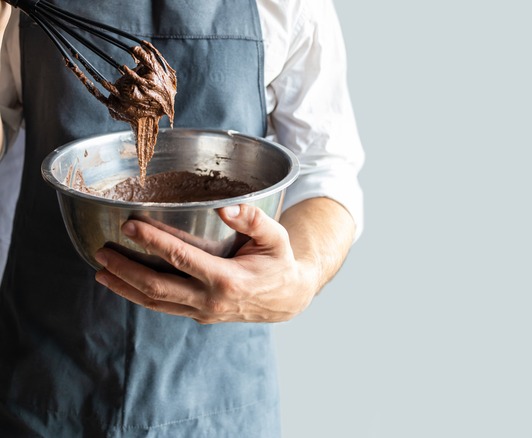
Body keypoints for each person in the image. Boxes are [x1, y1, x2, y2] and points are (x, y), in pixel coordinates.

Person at [0, 0, 364, 436]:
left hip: (219, 401)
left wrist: (301, 275)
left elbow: (325, 168)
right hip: (42, 385)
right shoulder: (24, 11)